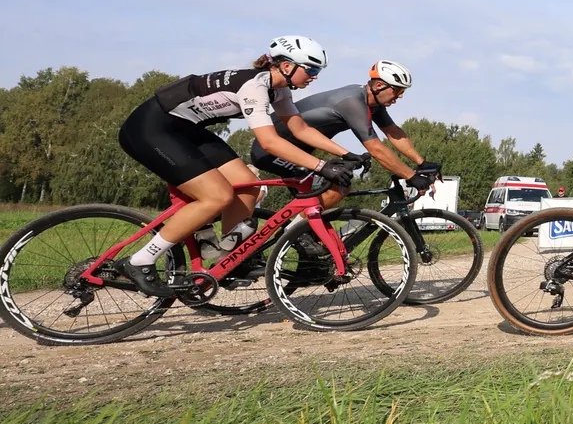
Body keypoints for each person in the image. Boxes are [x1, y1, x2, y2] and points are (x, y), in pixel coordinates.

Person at [116, 36, 359, 296]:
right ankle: (139, 261)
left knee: (247, 188)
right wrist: (322, 166)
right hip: (151, 128)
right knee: (217, 196)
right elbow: (269, 142)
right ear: (287, 67)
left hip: (186, 129)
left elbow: (298, 127)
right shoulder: (254, 86)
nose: (315, 76)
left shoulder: (278, 88)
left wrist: (347, 153)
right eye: (311, 69)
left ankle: (229, 259)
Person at [249, 59, 436, 210]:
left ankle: (303, 236)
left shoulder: (373, 104)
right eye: (398, 90)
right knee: (339, 185)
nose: (400, 96)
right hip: (271, 150)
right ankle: (296, 234)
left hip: (297, 152)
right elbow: (376, 149)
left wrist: (421, 163)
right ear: (379, 85)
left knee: (336, 187)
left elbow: (393, 132)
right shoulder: (353, 102)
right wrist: (411, 176)